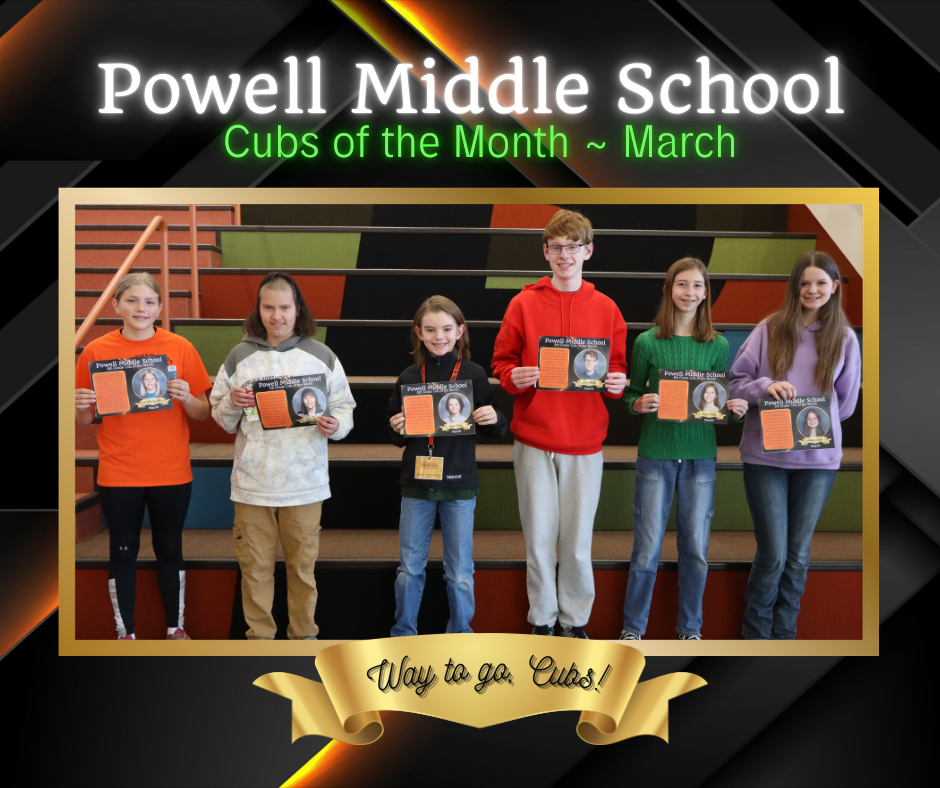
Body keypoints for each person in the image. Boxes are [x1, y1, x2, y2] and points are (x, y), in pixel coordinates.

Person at [491, 209, 627, 638]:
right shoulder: (523, 303)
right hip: (533, 440)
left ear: (588, 250)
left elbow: (617, 376)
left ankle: (573, 620)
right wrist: (515, 377)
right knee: (539, 541)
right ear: (545, 252)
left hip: (585, 443)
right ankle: (543, 619)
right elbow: (501, 364)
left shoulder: (607, 309)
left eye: (572, 247)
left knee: (577, 544)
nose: (564, 255)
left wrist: (618, 383)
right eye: (556, 248)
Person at [210, 272, 355, 640]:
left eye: (285, 307)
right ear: (259, 310)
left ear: (298, 309)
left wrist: (334, 425)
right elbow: (222, 419)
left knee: (303, 569)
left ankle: (303, 640)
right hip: (252, 484)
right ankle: (259, 642)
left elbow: (345, 408)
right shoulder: (239, 356)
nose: (277, 316)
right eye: (269, 307)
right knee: (254, 569)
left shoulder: (321, 356)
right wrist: (231, 402)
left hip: (304, 484)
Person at [730, 251, 860, 640]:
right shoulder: (769, 328)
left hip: (817, 462)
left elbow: (846, 404)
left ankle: (784, 636)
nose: (812, 289)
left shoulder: (845, 338)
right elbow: (734, 383)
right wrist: (764, 386)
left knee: (798, 556)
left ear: (834, 287)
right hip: (765, 458)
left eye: (821, 282)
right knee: (773, 554)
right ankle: (755, 637)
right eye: (804, 283)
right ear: (795, 287)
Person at [75, 272, 211, 640]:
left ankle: (175, 628)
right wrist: (80, 405)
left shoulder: (180, 348)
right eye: (132, 300)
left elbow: (202, 413)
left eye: (149, 302)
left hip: (171, 471)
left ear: (160, 308)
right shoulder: (95, 351)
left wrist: (187, 398)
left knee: (170, 549)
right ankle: (126, 634)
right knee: (122, 552)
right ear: (116, 305)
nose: (141, 308)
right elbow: (84, 419)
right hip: (119, 473)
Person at [619, 258, 747, 641]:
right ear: (668, 289)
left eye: (696, 286)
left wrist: (735, 411)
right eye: (681, 285)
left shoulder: (718, 344)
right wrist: (636, 404)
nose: (689, 293)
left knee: (695, 549)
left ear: (706, 293)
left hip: (700, 459)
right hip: (655, 454)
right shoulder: (646, 341)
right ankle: (632, 629)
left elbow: (717, 402)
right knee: (646, 550)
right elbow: (631, 393)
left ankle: (690, 630)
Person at [387, 296, 507, 636]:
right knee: (409, 568)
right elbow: (395, 433)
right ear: (418, 333)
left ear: (460, 332)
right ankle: (403, 633)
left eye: (446, 329)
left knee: (459, 571)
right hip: (416, 483)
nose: (438, 336)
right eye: (430, 329)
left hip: (459, 484)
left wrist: (494, 417)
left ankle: (460, 634)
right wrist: (397, 426)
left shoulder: (473, 374)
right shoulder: (410, 376)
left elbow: (496, 428)